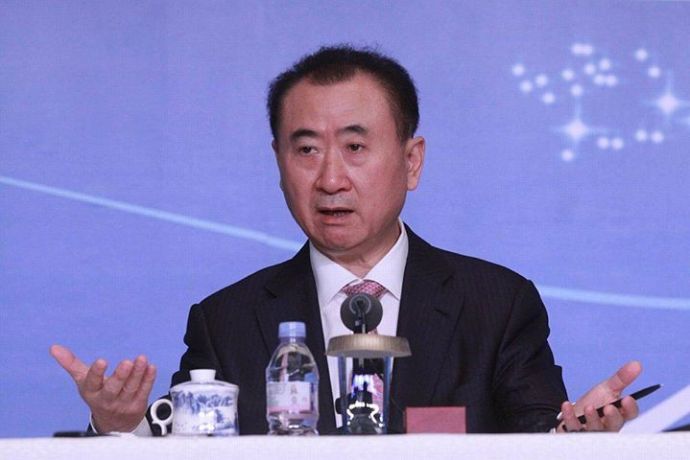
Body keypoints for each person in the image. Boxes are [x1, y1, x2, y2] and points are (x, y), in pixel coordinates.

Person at [51, 45, 641, 435]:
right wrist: (120, 428)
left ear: (412, 161)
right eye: (306, 149)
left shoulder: (496, 304)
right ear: (278, 162)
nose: (330, 178)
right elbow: (186, 447)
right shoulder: (225, 322)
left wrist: (574, 437)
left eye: (356, 147)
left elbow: (537, 436)